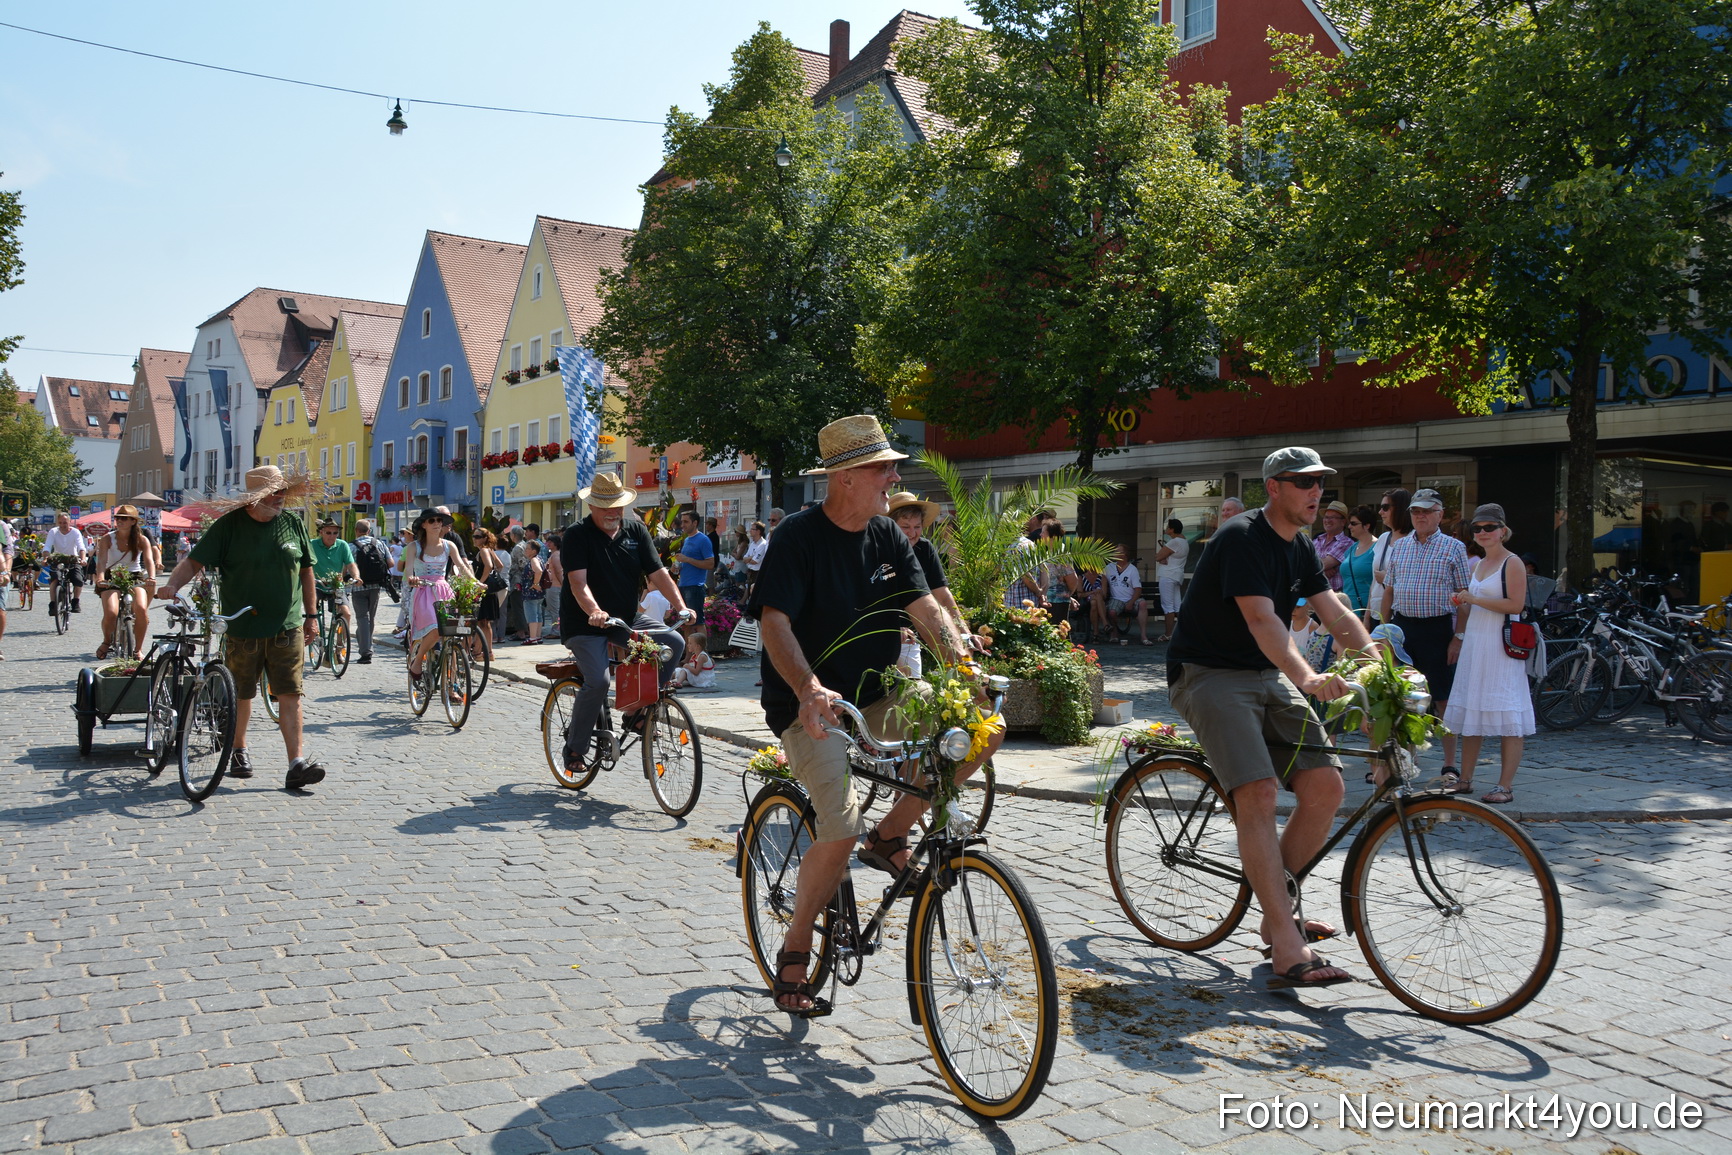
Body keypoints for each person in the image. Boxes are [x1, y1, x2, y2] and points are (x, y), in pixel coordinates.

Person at [749, 414, 998, 1016]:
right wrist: (809, 690)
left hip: (882, 696)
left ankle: (891, 836)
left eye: (891, 465)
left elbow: (925, 610)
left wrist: (964, 668)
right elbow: (773, 623)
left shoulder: (888, 535)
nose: (894, 476)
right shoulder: (797, 538)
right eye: (881, 467)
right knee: (838, 824)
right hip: (809, 704)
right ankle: (797, 939)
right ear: (844, 478)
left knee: (981, 734)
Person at [1167, 446, 1379, 990]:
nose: (1316, 493)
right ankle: (1285, 941)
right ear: (1274, 488)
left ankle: (1274, 910)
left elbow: (1334, 612)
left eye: (1320, 484)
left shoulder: (1300, 545)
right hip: (1208, 673)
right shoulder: (1240, 536)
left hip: (1264, 673)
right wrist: (1308, 678)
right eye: (1303, 483)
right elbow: (1263, 620)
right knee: (1258, 792)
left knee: (1327, 788)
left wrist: (1381, 672)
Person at [155, 466, 326, 790]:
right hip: (242, 628)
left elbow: (306, 571)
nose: (280, 499)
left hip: (286, 627)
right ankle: (238, 750)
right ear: (254, 499)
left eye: (281, 493)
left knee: (290, 694)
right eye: (273, 494)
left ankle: (296, 764)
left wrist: (311, 615)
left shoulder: (292, 524)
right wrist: (172, 586)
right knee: (242, 695)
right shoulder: (228, 527)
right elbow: (194, 561)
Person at [558, 474, 691, 774]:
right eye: (605, 505)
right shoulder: (578, 535)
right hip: (585, 622)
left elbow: (658, 574)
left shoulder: (635, 530)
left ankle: (636, 710)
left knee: (674, 642)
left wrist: (681, 607)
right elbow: (578, 583)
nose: (612, 512)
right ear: (591, 504)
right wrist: (594, 610)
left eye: (617, 505)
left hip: (625, 618)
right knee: (600, 681)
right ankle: (575, 749)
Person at [1444, 505, 1534, 804]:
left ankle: (1505, 786)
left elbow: (1516, 605)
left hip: (1500, 646)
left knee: (1509, 712)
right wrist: (1461, 602)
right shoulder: (1477, 565)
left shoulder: (1513, 563)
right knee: (1473, 710)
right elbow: (1473, 608)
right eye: (1478, 529)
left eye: (1489, 528)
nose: (1483, 533)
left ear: (1502, 531)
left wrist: (1475, 598)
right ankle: (1465, 779)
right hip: (1476, 644)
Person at [1380, 487, 1471, 780]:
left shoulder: (1453, 547)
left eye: (1427, 511)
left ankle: (1448, 763)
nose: (1420, 516)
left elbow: (1463, 596)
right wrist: (1385, 632)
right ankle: (1407, 761)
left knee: (1442, 697)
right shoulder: (1401, 546)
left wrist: (1458, 637)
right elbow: (1389, 591)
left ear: (1440, 515)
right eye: (1416, 511)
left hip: (1437, 628)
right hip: (1404, 628)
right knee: (1404, 695)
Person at [400, 508, 475, 680]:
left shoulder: (449, 545)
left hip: (444, 591)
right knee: (436, 630)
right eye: (432, 520)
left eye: (439, 521)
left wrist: (475, 582)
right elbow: (409, 569)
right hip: (423, 591)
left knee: (451, 635)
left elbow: (462, 568)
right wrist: (412, 578)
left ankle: (452, 684)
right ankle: (418, 661)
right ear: (424, 525)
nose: (436, 524)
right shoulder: (414, 547)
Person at [888, 492, 970, 644]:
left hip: (919, 636)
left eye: (917, 526)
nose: (912, 533)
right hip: (883, 635)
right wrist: (892, 628)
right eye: (905, 527)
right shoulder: (877, 549)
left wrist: (965, 633)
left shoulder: (925, 548)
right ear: (890, 525)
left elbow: (942, 594)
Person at [94, 506, 155, 658]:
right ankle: (107, 641)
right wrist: (100, 577)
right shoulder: (108, 538)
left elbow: (149, 560)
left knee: (141, 609)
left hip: (135, 576)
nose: (119, 521)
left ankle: (138, 649)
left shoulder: (142, 539)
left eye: (124, 518)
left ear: (133, 521)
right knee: (111, 612)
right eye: (117, 518)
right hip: (112, 575)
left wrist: (151, 577)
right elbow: (101, 561)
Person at [349, 519, 394, 664]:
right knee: (371, 618)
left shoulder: (352, 546)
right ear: (369, 531)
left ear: (356, 530)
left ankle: (366, 652)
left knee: (362, 618)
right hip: (376, 586)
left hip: (358, 585)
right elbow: (391, 563)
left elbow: (347, 565)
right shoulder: (379, 543)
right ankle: (366, 643)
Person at [310, 518, 360, 640]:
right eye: (328, 532)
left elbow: (351, 564)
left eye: (335, 533)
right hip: (317, 584)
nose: (332, 536)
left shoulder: (342, 545)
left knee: (346, 613)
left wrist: (356, 577)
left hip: (336, 585)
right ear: (321, 532)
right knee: (312, 606)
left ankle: (340, 645)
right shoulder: (312, 544)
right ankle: (313, 628)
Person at [1368, 488, 1411, 625]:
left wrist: (1387, 578)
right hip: (1376, 613)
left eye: (1385, 507)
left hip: (1399, 616)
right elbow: (1374, 581)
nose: (1380, 512)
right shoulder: (1383, 538)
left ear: (1400, 509)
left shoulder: (1413, 540)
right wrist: (1366, 619)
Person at [1103, 547, 1151, 645]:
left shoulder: (1132, 570)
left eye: (1117, 552)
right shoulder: (1109, 568)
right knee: (1112, 612)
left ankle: (1143, 636)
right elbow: (1102, 579)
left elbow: (1138, 590)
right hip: (1116, 599)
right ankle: (1114, 633)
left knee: (1142, 604)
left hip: (1131, 598)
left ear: (1124, 555)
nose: (1114, 553)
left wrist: (1131, 602)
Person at [675, 510, 714, 626]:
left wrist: (687, 559)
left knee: (698, 622)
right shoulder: (687, 539)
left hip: (695, 587)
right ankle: (689, 645)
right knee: (686, 623)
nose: (682, 525)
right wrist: (677, 567)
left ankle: (701, 645)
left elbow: (710, 564)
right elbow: (686, 562)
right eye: (682, 522)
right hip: (683, 585)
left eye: (686, 522)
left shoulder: (703, 539)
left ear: (695, 523)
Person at [1340, 504, 1378, 623]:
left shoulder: (1378, 548)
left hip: (1367, 613)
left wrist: (1367, 617)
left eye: (1354, 523)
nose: (1349, 526)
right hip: (1346, 613)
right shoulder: (1351, 549)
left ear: (1367, 526)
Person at [45, 511, 88, 614]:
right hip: (57, 560)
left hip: (72, 560)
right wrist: (46, 558)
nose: (62, 525)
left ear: (69, 522)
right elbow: (47, 546)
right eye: (60, 523)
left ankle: (75, 601)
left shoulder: (75, 532)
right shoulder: (53, 532)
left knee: (78, 580)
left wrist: (82, 559)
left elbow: (81, 547)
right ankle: (53, 604)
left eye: (65, 522)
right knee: (55, 579)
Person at [1153, 518, 1188, 642]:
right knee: (1177, 606)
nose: (1166, 529)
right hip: (1177, 575)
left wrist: (1162, 558)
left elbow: (1158, 556)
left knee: (1168, 606)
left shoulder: (1174, 542)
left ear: (1172, 529)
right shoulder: (1184, 541)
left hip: (1167, 576)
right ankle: (1184, 633)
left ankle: (1168, 634)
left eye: (1168, 527)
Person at [470, 528, 504, 649]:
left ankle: (481, 652)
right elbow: (500, 565)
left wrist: (480, 582)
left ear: (484, 538)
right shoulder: (489, 550)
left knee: (482, 622)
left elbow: (489, 566)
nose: (474, 539)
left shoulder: (484, 550)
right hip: (490, 591)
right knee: (485, 623)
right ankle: (488, 652)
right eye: (474, 536)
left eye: (478, 537)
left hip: (484, 590)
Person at [1313, 501, 1351, 591]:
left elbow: (1323, 564)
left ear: (1343, 522)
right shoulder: (1316, 540)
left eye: (1332, 517)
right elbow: (1301, 564)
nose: (1327, 520)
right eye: (1326, 517)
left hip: (1335, 596)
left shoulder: (1346, 543)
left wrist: (1318, 568)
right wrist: (1323, 571)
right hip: (1313, 597)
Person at [517, 539, 547, 645]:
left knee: (532, 615)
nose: (525, 550)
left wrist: (535, 583)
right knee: (538, 614)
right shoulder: (539, 558)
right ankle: (537, 636)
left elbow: (538, 571)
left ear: (534, 551)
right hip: (538, 593)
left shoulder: (534, 560)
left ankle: (533, 637)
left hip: (531, 593)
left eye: (528, 548)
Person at [744, 520, 769, 593]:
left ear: (758, 531)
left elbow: (754, 561)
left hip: (757, 574)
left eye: (752, 529)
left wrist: (750, 558)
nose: (750, 530)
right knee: (749, 594)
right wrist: (752, 556)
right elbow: (744, 559)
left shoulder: (763, 544)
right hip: (750, 573)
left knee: (755, 594)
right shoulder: (752, 544)